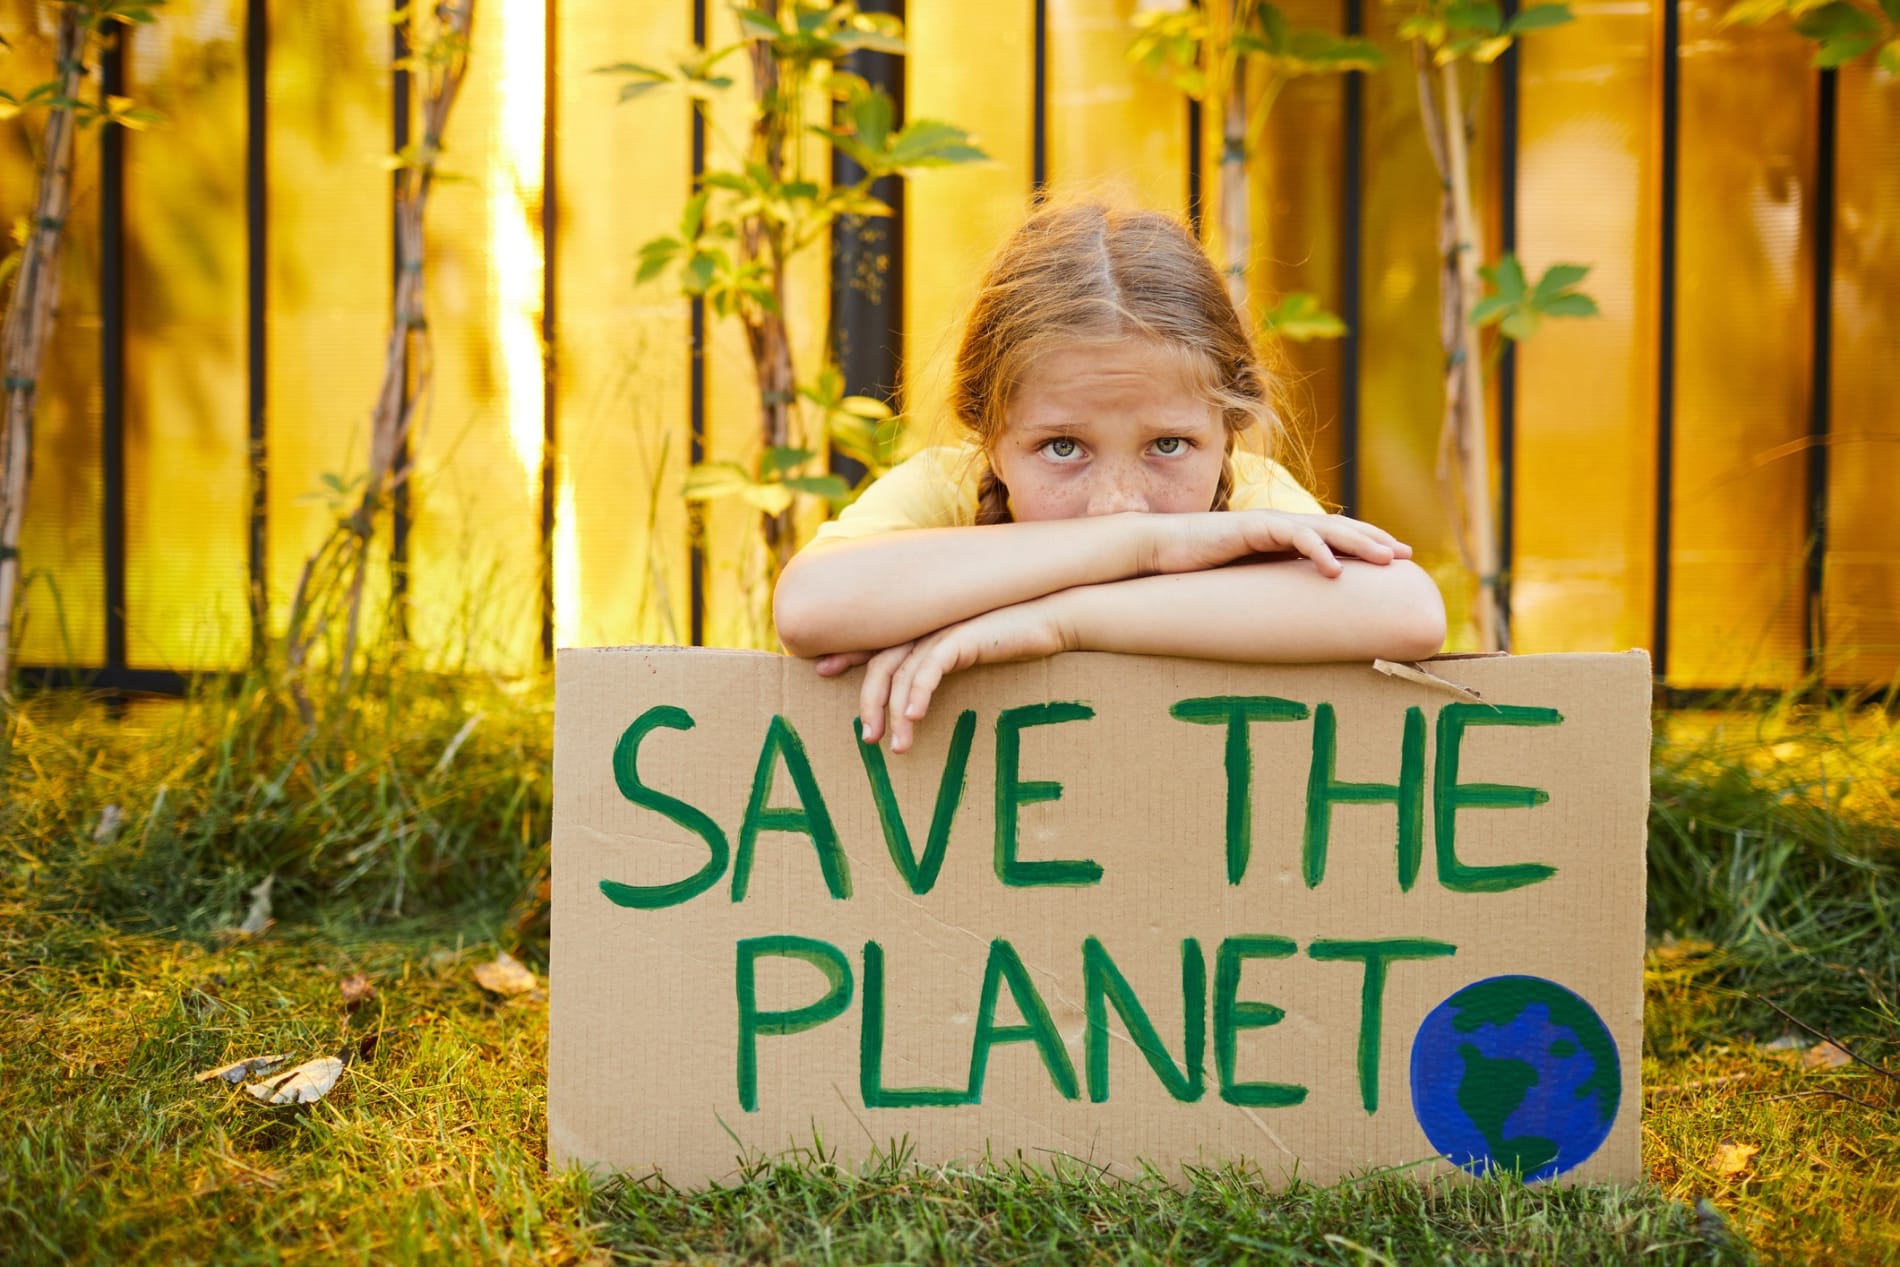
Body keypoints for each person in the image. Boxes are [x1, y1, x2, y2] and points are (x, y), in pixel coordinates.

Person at [774, 201, 1445, 754]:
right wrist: (1142, 547)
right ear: (990, 439)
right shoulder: (947, 488)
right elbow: (811, 606)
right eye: (1063, 446)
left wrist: (1061, 620)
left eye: (1171, 444)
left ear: (1228, 433)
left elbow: (1407, 612)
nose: (1118, 502)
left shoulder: (1247, 496)